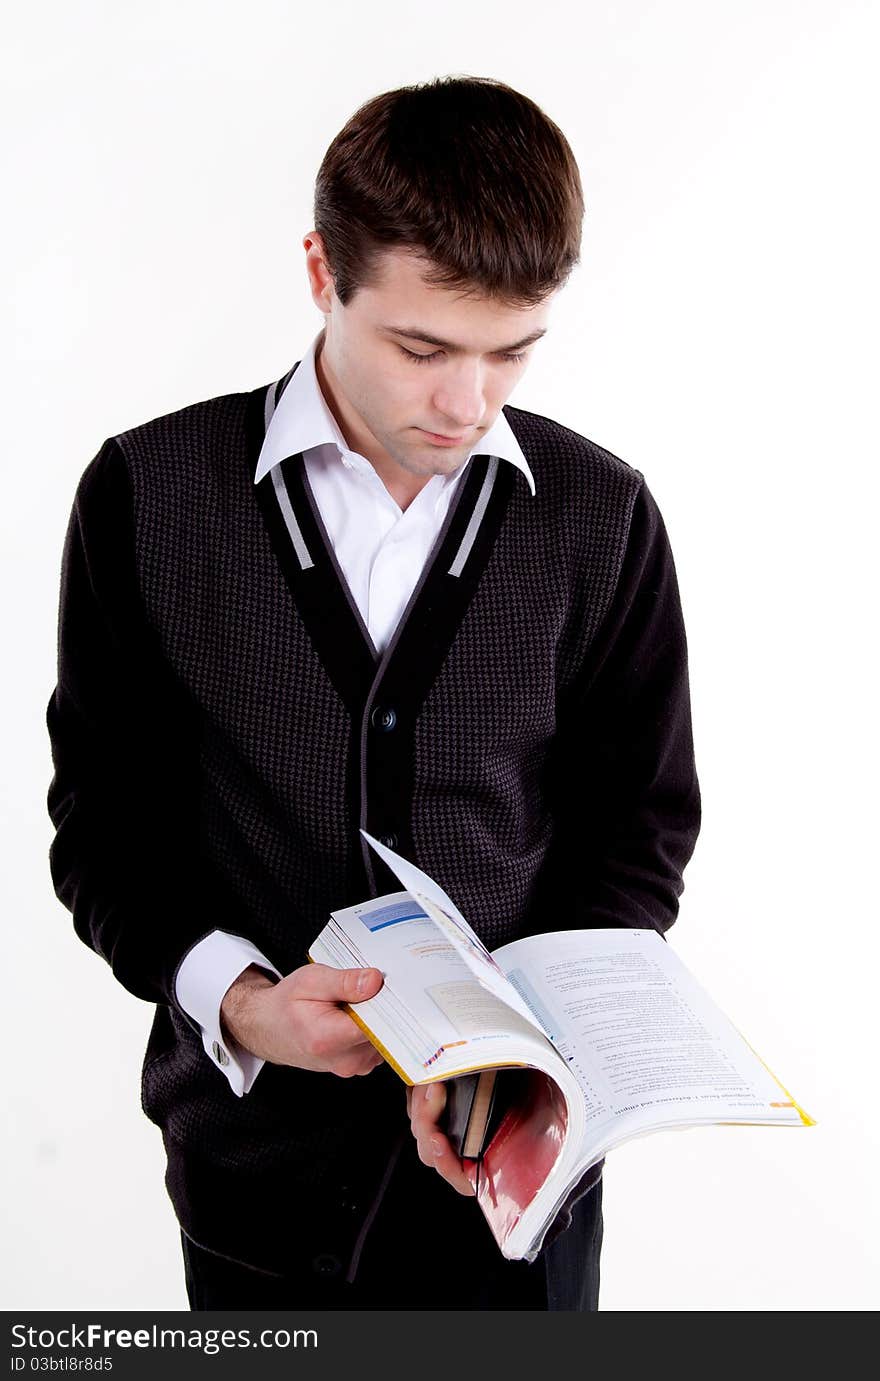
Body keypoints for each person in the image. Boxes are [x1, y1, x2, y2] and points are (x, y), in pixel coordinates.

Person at [46, 75, 700, 1312]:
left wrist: (518, 1057)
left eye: (512, 353)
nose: (468, 405)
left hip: (518, 1190)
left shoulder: (599, 515)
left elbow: (639, 832)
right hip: (255, 1188)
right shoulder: (149, 496)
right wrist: (243, 1003)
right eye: (422, 348)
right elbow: (105, 827)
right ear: (318, 272)